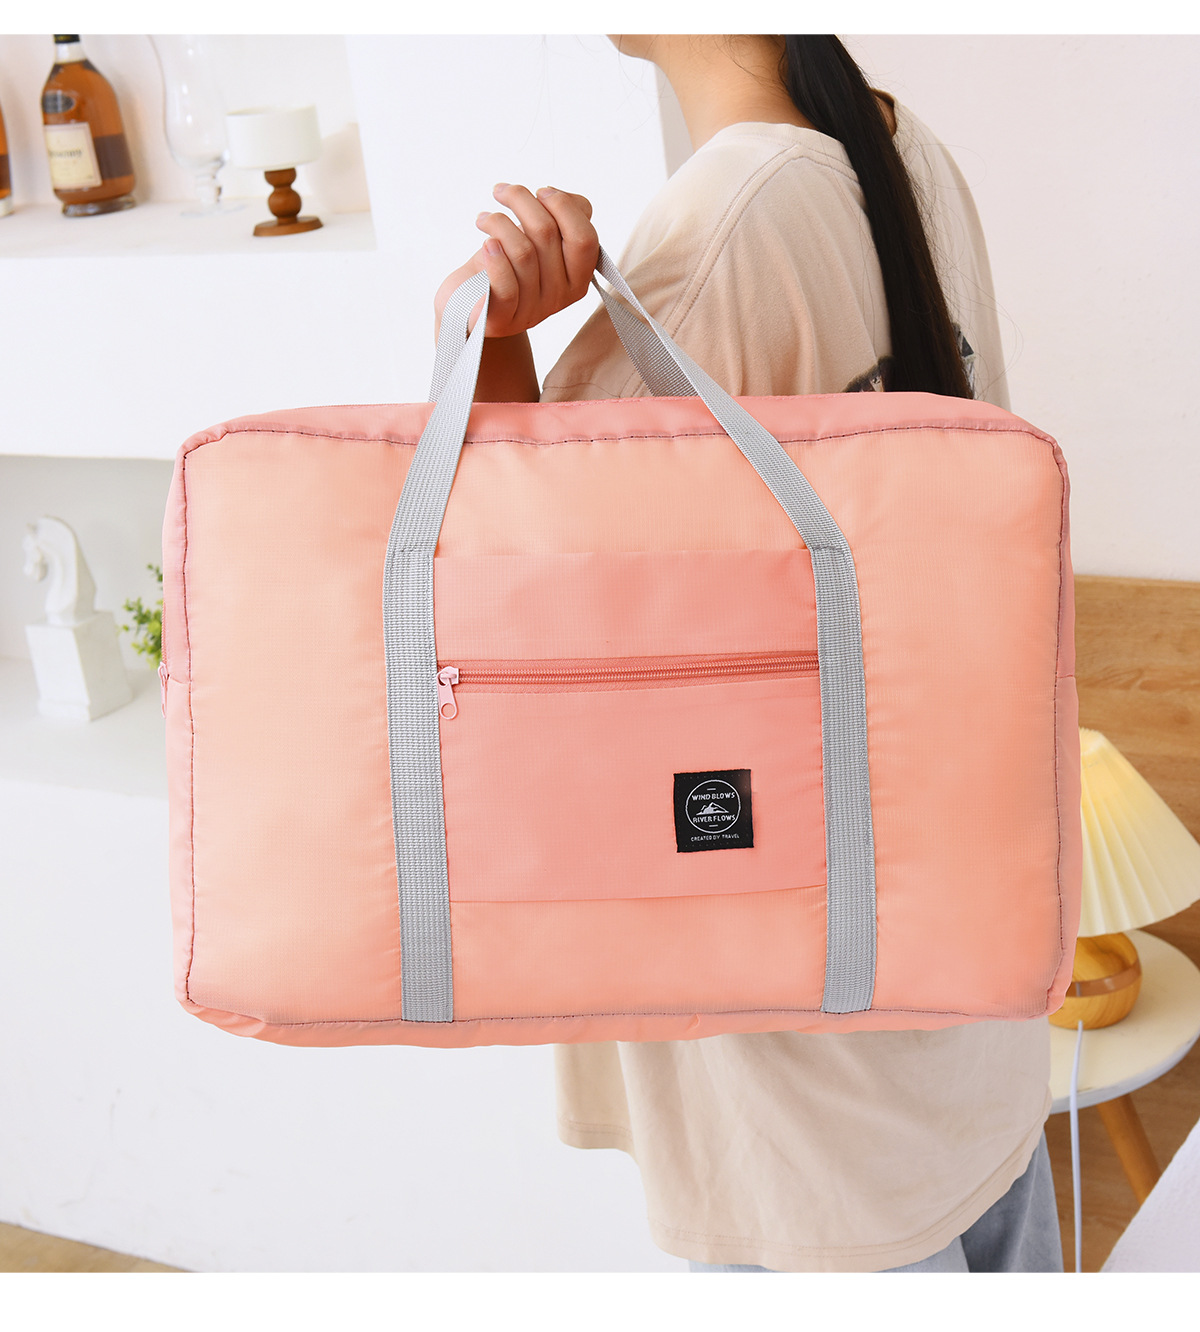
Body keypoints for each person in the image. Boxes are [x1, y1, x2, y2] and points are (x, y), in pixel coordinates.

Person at [434, 34, 1063, 1273]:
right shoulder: (904, 152)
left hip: (806, 1103)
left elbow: (516, 622)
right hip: (966, 1045)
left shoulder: (727, 224)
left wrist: (485, 344)